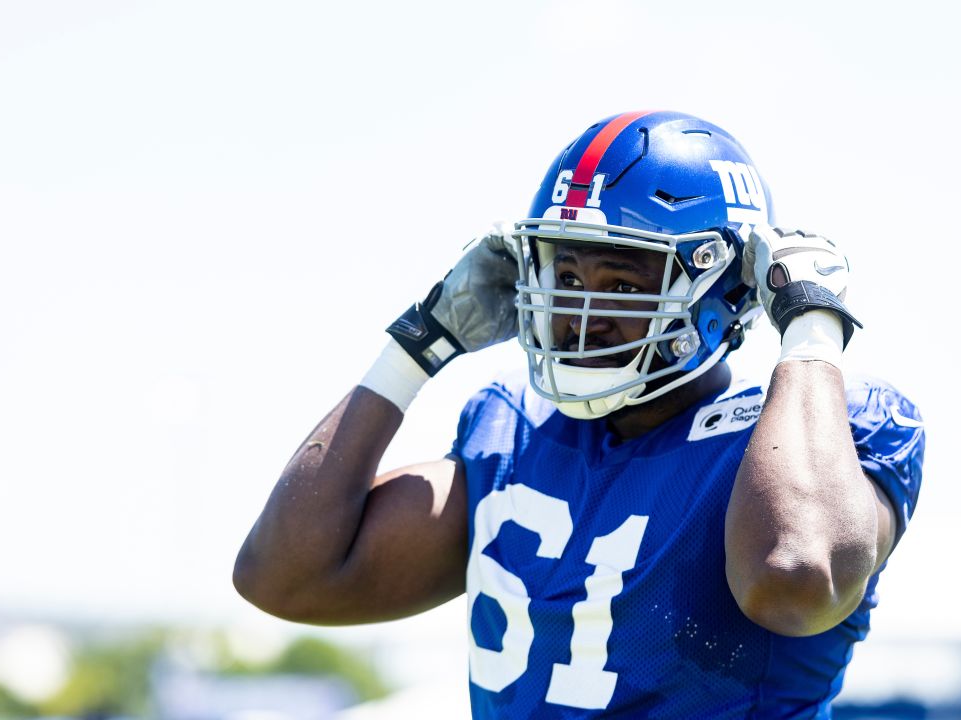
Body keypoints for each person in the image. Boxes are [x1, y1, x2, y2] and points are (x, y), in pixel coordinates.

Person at [233, 110, 925, 718]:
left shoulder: (815, 433)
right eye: (565, 278)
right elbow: (287, 577)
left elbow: (795, 579)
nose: (580, 312)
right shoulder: (513, 433)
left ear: (722, 289)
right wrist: (415, 349)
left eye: (620, 282)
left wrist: (811, 333)